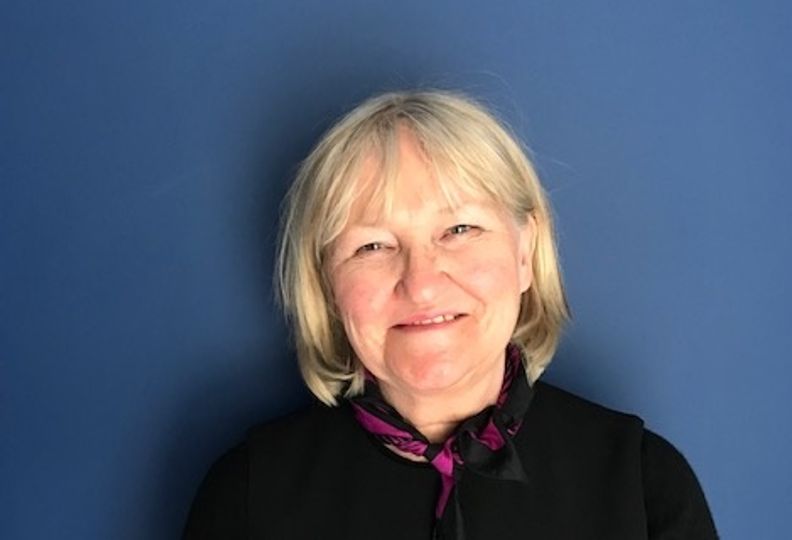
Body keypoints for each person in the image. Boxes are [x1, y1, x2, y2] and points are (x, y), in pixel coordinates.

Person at [183, 90, 718, 539]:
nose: (421, 284)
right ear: (327, 284)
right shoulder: (247, 496)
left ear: (525, 252)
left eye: (459, 230)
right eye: (372, 245)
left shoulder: (642, 485)